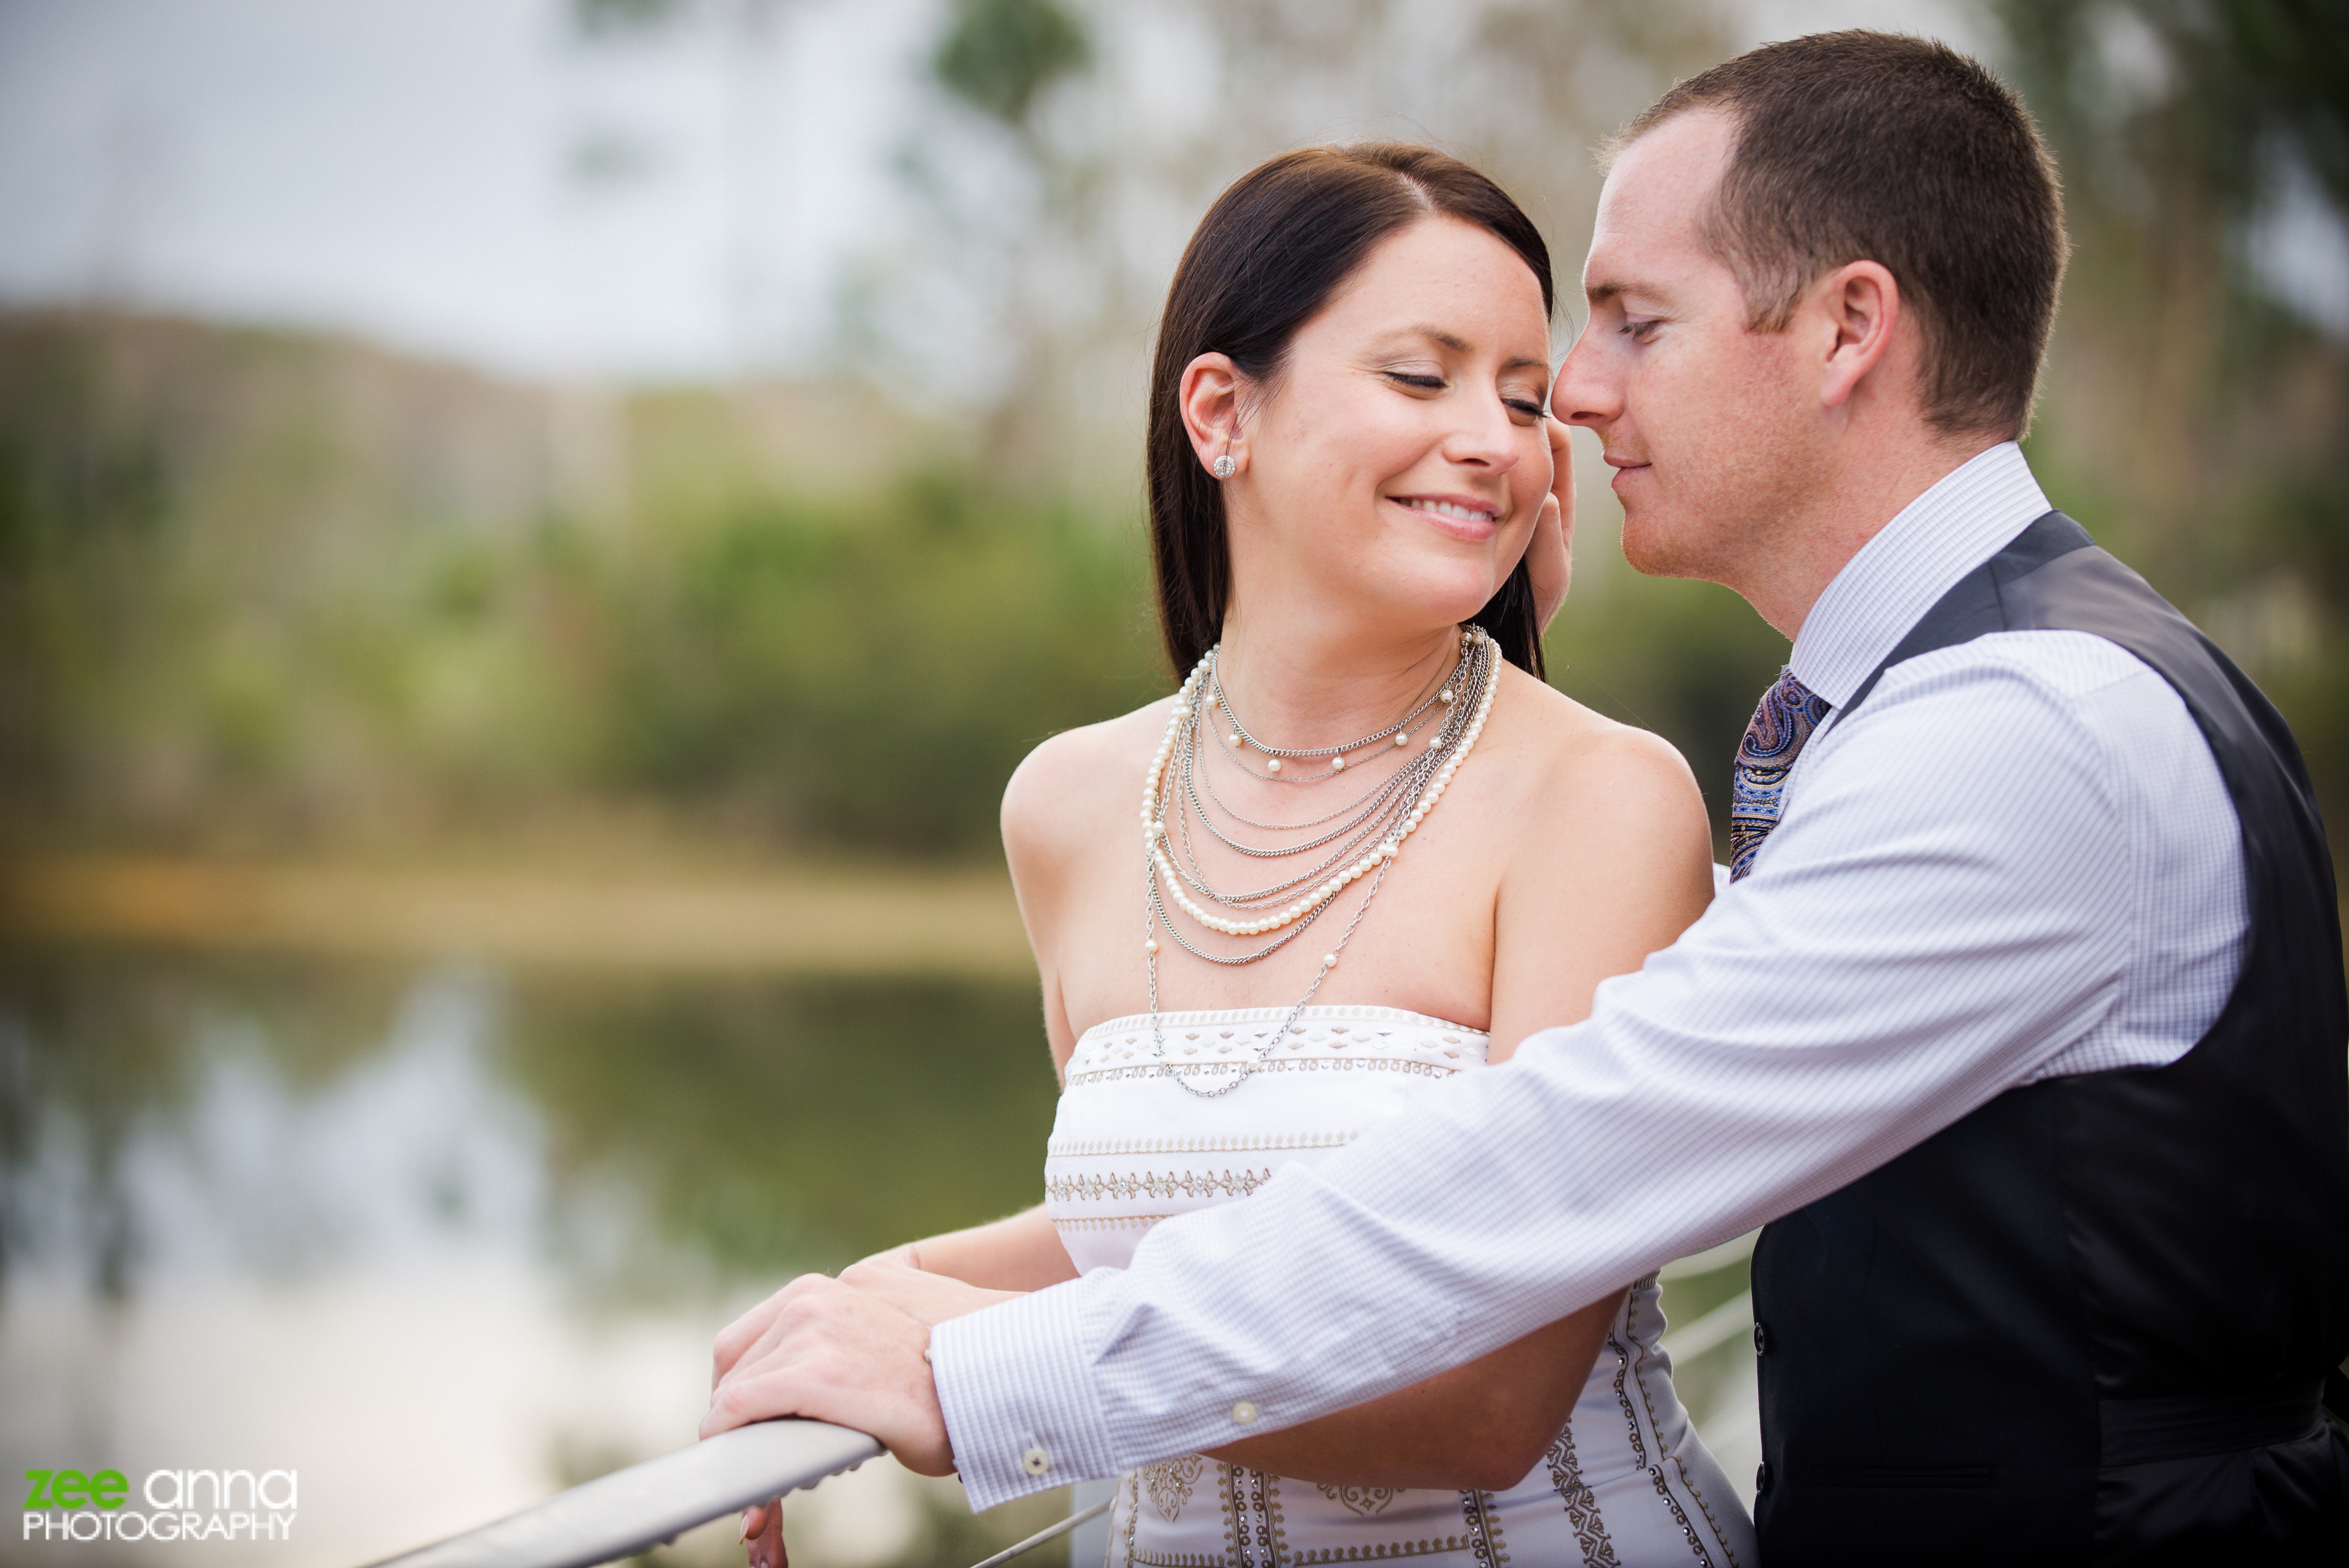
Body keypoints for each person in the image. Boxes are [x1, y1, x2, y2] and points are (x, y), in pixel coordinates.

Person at [705, 32, 2349, 1566]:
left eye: (1634, 319)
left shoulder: (2018, 729)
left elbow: (1558, 1162)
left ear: (1850, 330)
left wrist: (978, 1379)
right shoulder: (1957, 697)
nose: (1568, 396)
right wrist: (879, 1299)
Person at [720, 141, 1755, 1567]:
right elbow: (1151, 1211)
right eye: (1421, 376)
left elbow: (1493, 1396)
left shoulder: (1601, 800)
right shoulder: (1070, 802)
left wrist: (972, 1367)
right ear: (1221, 412)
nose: (1496, 439)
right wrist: (853, 1310)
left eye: (1522, 398)